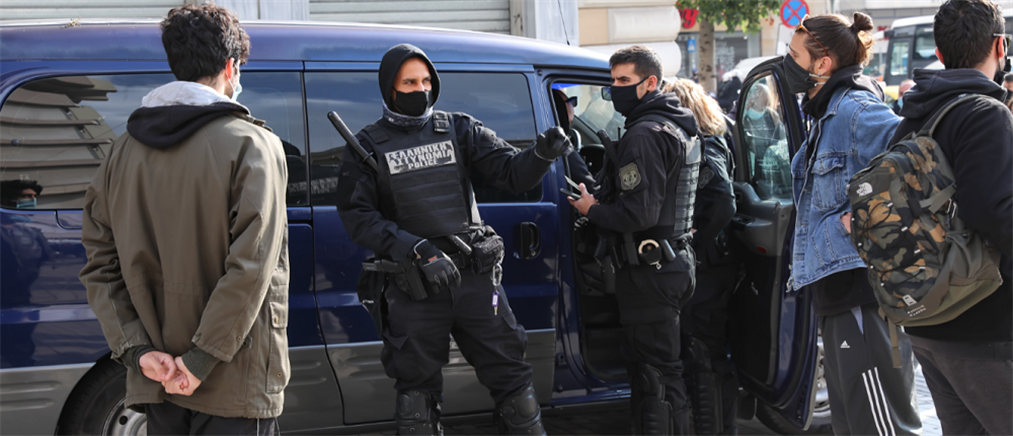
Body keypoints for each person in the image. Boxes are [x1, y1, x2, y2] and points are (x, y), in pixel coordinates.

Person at [335, 43, 569, 436]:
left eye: (426, 81)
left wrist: (542, 154)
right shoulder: (367, 146)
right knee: (416, 392)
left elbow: (512, 173)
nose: (421, 90)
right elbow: (357, 217)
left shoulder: (458, 128)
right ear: (390, 89)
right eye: (410, 83)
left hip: (473, 277)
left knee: (513, 377)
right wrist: (414, 247)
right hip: (415, 286)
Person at [79, 4, 290, 434]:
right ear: (230, 67)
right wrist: (199, 361)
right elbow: (252, 267)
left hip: (158, 377)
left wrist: (138, 352)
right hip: (235, 382)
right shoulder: (252, 144)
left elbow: (100, 263)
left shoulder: (121, 151)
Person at [785, 12, 921, 436]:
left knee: (881, 426)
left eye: (794, 55)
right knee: (852, 424)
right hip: (840, 293)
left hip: (863, 292)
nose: (788, 64)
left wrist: (861, 215)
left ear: (822, 63)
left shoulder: (855, 109)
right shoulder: (826, 114)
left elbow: (919, 162)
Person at [889, 1, 1013, 434]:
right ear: (1000, 46)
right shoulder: (985, 113)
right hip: (984, 323)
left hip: (929, 319)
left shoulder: (914, 116)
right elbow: (993, 210)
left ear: (940, 54)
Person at [568, 45, 700, 436]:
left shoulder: (643, 134)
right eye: (612, 81)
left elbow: (638, 214)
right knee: (660, 370)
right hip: (672, 263)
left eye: (624, 80)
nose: (616, 88)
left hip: (650, 272)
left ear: (650, 82)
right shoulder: (675, 124)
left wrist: (592, 209)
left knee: (655, 376)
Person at [662, 78, 738, 436]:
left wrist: (696, 239)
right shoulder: (708, 141)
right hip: (710, 260)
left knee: (705, 353)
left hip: (710, 263)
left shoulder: (705, 145)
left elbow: (723, 199)